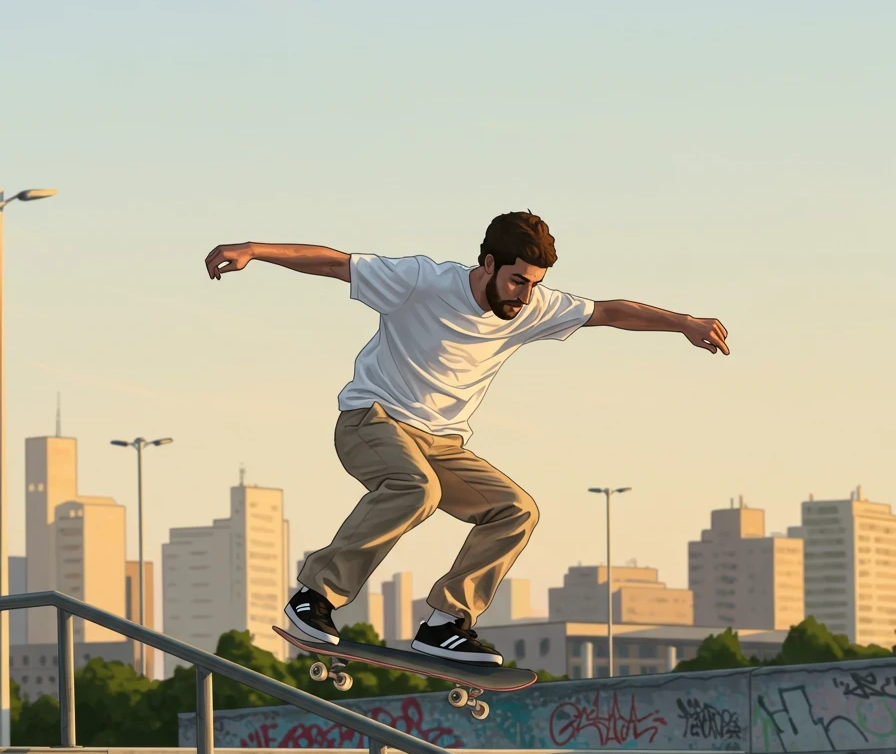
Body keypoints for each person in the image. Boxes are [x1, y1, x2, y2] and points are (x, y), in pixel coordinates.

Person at [205, 212, 728, 665]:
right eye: (517, 281)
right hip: (372, 419)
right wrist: (254, 250)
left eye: (533, 284)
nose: (524, 296)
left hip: (443, 444)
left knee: (516, 510)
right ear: (487, 264)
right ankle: (315, 594)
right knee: (417, 489)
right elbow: (334, 262)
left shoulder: (536, 306)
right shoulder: (422, 281)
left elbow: (610, 313)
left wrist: (682, 323)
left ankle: (445, 624)